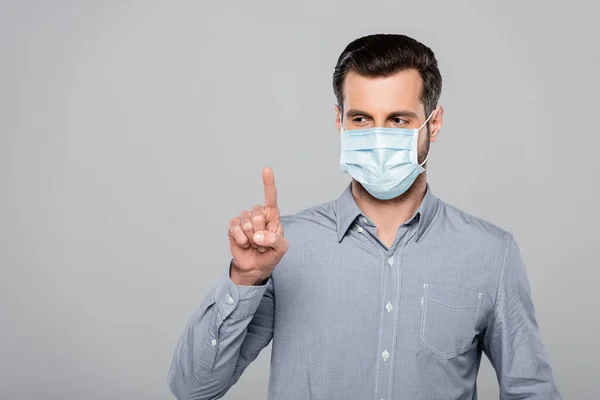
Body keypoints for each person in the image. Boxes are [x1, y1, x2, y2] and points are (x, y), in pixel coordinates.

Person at [167, 33, 562, 400]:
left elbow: (531, 392)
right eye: (361, 119)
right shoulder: (285, 250)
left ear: (434, 124)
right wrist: (246, 279)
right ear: (339, 121)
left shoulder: (491, 254)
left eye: (398, 120)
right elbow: (193, 388)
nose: (378, 136)